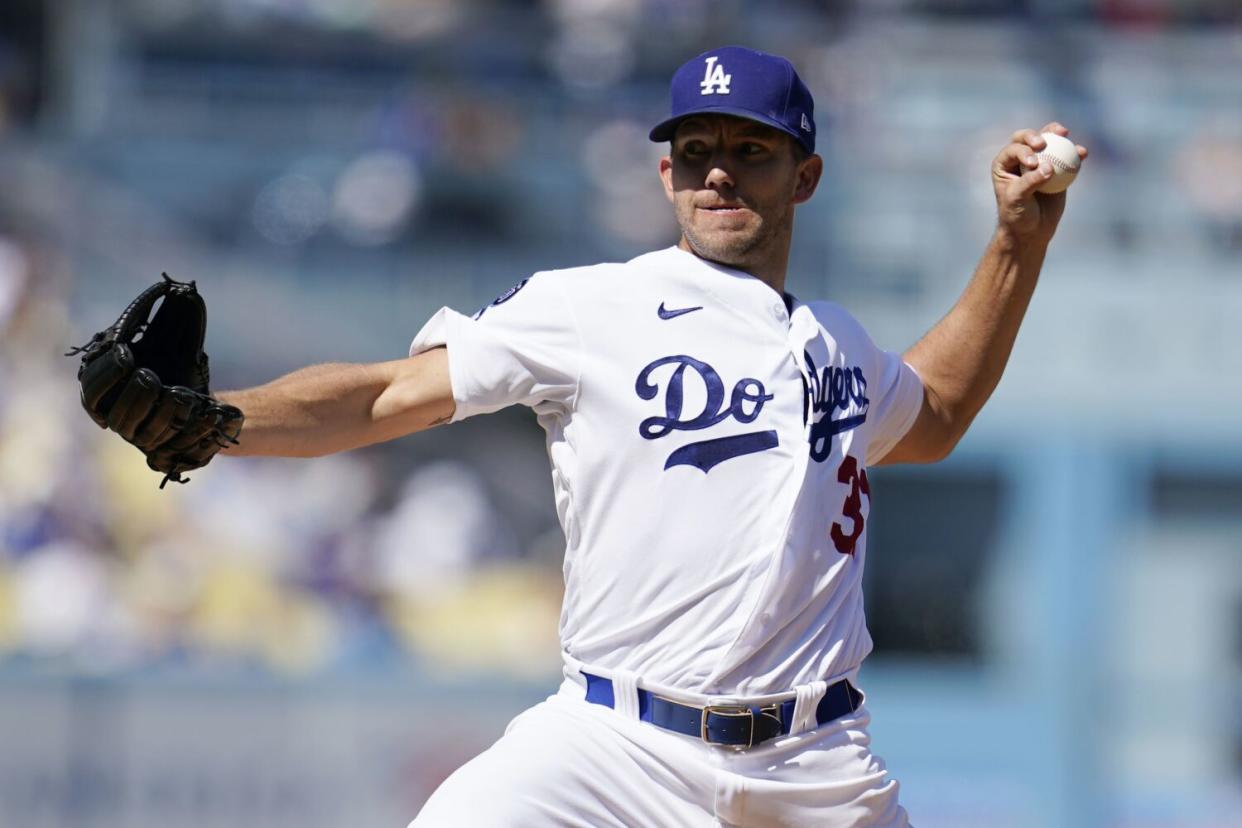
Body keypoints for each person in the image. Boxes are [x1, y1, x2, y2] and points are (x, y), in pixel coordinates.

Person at [219, 46, 1087, 828]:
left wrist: (1018, 240)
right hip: (613, 748)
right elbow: (386, 395)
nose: (719, 175)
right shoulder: (590, 306)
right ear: (667, 173)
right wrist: (215, 423)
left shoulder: (837, 340)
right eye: (698, 153)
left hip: (815, 767)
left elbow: (934, 412)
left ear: (806, 175)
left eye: (751, 152)